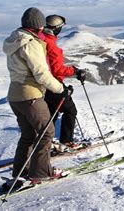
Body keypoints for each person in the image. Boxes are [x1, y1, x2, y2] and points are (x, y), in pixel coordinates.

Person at [2, 7, 73, 184]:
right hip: (31, 95)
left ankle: (22, 172)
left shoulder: (15, 40)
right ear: (38, 26)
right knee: (46, 132)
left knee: (29, 135)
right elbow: (41, 74)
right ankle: (41, 172)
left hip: (15, 96)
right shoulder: (31, 43)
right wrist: (61, 89)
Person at [42, 14, 86, 151]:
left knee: (52, 114)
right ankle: (66, 142)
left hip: (43, 84)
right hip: (53, 84)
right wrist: (75, 71)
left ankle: (45, 142)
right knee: (70, 110)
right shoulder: (51, 45)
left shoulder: (41, 40)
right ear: (56, 28)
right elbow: (57, 69)